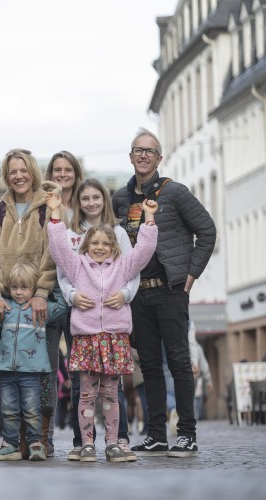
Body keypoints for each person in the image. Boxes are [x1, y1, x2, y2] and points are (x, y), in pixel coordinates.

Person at [112, 128, 216, 457]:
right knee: (151, 367)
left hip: (171, 291)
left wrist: (191, 275)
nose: (143, 155)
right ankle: (156, 435)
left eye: (150, 151)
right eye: (137, 150)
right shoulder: (120, 199)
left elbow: (207, 230)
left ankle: (186, 433)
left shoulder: (176, 193)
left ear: (159, 158)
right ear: (130, 157)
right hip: (138, 294)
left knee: (180, 363)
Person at [47, 190, 159, 462]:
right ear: (85, 246)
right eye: (93, 242)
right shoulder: (76, 267)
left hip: (114, 339)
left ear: (113, 247)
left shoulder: (123, 267)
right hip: (86, 338)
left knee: (110, 394)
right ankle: (87, 444)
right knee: (86, 394)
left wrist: (149, 219)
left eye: (105, 243)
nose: (99, 247)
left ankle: (113, 443)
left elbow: (144, 251)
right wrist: (55, 214)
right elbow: (60, 249)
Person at [0, 148, 58, 457]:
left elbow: (54, 253)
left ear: (33, 172)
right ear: (6, 175)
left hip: (41, 301)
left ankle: (42, 438)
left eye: (23, 169)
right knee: (11, 376)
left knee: (43, 373)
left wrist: (41, 292)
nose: (18, 175)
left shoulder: (47, 208)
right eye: (12, 171)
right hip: (8, 305)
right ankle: (15, 440)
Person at [0, 261, 67, 461]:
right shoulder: (5, 308)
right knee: (8, 410)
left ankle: (36, 444)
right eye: (14, 287)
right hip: (6, 371)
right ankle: (10, 445)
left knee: (32, 409)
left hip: (31, 372)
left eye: (24, 288)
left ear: (33, 288)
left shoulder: (41, 310)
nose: (18, 292)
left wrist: (48, 288)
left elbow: (62, 305)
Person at [43, 151, 85, 456]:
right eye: (56, 169)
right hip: (48, 293)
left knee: (80, 368)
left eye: (67, 169)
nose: (61, 174)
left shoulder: (87, 204)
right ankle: (44, 437)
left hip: (80, 296)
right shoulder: (40, 206)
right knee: (46, 367)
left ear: (76, 172)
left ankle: (82, 437)